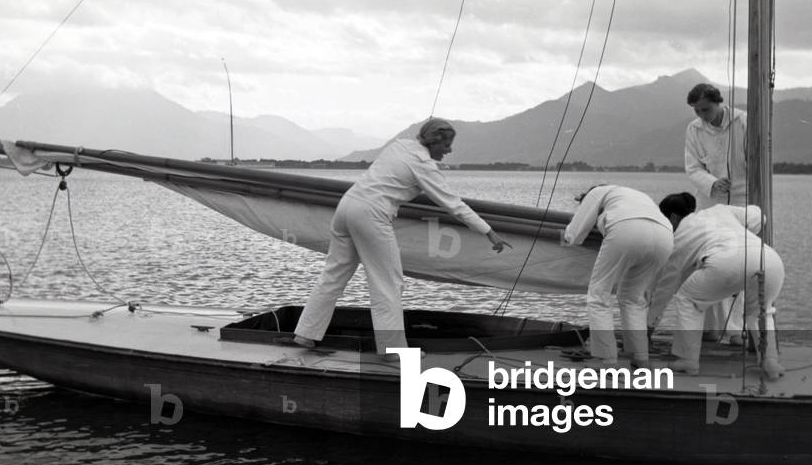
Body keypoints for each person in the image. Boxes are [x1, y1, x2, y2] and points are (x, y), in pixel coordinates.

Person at [287, 118, 512, 355]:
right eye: (447, 144)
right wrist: (488, 232)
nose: (449, 150)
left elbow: (399, 173)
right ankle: (393, 350)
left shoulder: (400, 145)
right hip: (372, 215)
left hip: (347, 207)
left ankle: (306, 333)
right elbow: (453, 204)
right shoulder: (424, 166)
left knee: (333, 275)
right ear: (434, 141)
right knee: (388, 284)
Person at [651, 192, 785, 379]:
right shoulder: (721, 210)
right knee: (761, 311)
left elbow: (664, 290)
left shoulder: (678, 237)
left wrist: (649, 326)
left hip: (726, 261)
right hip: (769, 259)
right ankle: (770, 360)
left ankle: (688, 360)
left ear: (672, 218)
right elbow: (758, 215)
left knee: (687, 298)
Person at [562, 185, 674, 369]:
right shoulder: (633, 193)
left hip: (627, 230)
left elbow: (573, 236)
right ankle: (641, 359)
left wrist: (567, 235)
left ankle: (608, 361)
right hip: (665, 237)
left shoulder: (596, 193)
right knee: (633, 299)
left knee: (599, 296)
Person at [684, 83, 748, 344]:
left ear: (719, 102)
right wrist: (712, 183)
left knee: (742, 262)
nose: (702, 115)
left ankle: (736, 328)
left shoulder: (744, 121)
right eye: (697, 111)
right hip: (710, 201)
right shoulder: (693, 129)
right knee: (710, 262)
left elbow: (755, 159)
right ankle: (713, 328)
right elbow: (692, 167)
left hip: (744, 200)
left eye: (706, 109)